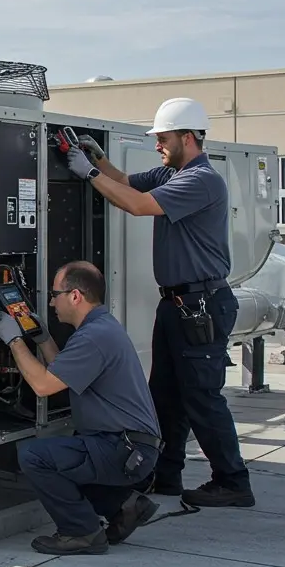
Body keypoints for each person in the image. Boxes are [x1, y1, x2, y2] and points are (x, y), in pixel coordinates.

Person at [64, 97, 255, 509]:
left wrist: (90, 172)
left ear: (189, 137)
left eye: (163, 138)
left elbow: (136, 205)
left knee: (202, 396)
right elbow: (129, 183)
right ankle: (166, 475)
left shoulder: (201, 179)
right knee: (165, 395)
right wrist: (96, 158)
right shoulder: (172, 172)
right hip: (177, 304)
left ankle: (233, 480)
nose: (157, 145)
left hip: (200, 303)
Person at [0, 261, 163, 555]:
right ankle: (125, 507)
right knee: (69, 457)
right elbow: (65, 370)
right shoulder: (101, 327)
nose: (51, 301)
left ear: (75, 296)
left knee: (35, 456)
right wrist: (43, 337)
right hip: (130, 447)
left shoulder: (93, 337)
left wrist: (14, 341)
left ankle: (81, 532)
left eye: (55, 294)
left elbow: (44, 385)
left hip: (122, 449)